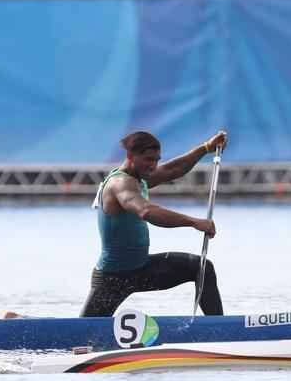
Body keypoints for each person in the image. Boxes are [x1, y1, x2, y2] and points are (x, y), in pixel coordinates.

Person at [80, 129, 228, 317]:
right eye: (148, 159)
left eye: (156, 160)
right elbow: (146, 211)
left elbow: (173, 169)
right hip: (113, 277)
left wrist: (206, 148)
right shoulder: (120, 183)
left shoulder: (139, 178)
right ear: (130, 156)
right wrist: (194, 222)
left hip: (141, 269)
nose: (153, 165)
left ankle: (218, 328)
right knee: (84, 332)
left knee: (202, 269)